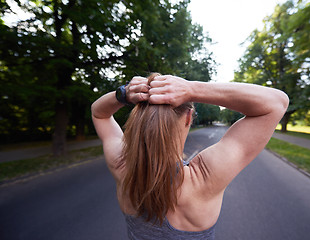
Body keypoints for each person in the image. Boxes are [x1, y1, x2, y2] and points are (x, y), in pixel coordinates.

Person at [91, 73, 289, 240]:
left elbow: (99, 113)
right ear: (188, 117)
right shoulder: (203, 179)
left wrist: (123, 94)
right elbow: (276, 103)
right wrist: (192, 89)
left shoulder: (121, 166)